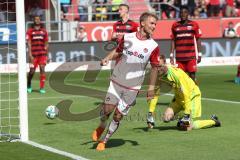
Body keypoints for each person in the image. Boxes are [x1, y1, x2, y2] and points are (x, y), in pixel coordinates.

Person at [91, 12, 160, 151]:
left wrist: (151, 88)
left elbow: (154, 68)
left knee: (117, 115)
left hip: (133, 87)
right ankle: (102, 125)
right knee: (107, 110)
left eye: (155, 24)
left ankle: (104, 141)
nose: (154, 26)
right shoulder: (127, 37)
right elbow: (118, 51)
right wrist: (107, 58)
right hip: (117, 80)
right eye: (152, 23)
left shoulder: (153, 46)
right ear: (142, 23)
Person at [149, 54, 221, 131]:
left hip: (192, 96)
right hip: (179, 98)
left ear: (165, 64)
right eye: (156, 66)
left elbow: (186, 94)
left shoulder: (176, 74)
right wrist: (150, 112)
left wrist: (186, 114)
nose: (158, 69)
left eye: (160, 66)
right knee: (166, 118)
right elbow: (155, 94)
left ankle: (214, 121)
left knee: (190, 127)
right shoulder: (156, 75)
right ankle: (182, 120)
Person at [170, 6, 202, 82]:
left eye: (185, 12)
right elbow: (173, 40)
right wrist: (171, 55)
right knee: (181, 79)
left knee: (192, 77)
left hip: (191, 57)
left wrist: (199, 54)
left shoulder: (194, 24)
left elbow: (198, 39)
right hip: (179, 58)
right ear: (179, 14)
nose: (183, 14)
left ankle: (194, 93)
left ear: (188, 14)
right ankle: (184, 94)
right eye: (181, 13)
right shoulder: (175, 25)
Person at [26, 16, 49, 94]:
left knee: (42, 69)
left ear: (40, 21)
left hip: (42, 55)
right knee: (32, 71)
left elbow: (46, 44)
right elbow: (28, 43)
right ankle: (28, 84)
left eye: (38, 19)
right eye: (36, 19)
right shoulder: (30, 31)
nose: (37, 20)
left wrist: (47, 55)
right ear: (33, 21)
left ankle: (42, 88)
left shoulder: (44, 31)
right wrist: (30, 54)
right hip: (33, 55)